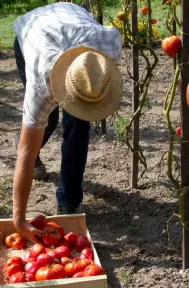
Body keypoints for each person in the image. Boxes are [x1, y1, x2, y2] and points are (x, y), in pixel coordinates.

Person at [12, 2, 123, 243]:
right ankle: (37, 152)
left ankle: (69, 201)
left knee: (78, 127)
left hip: (71, 18)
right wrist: (19, 220)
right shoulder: (41, 84)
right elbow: (24, 152)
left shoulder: (107, 50)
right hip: (32, 33)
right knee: (45, 122)